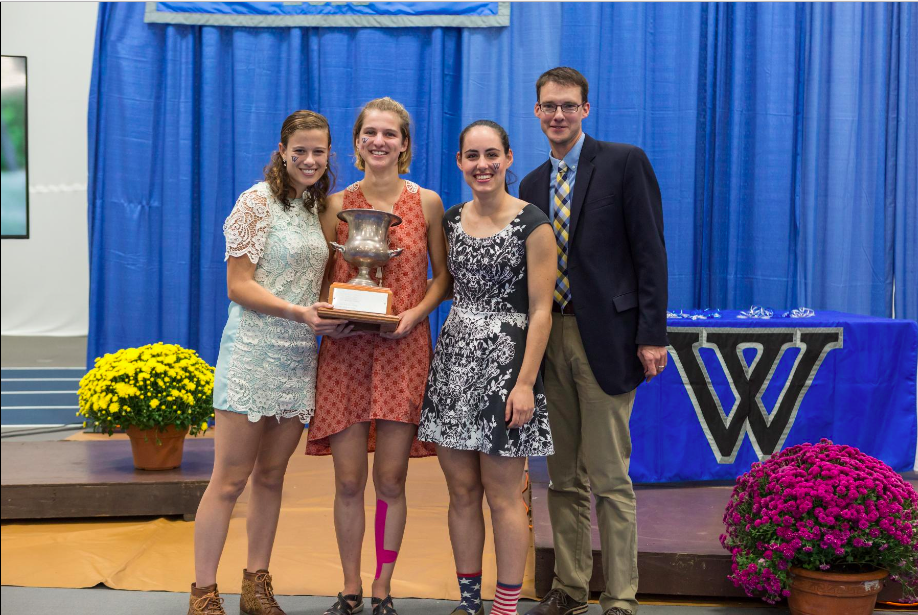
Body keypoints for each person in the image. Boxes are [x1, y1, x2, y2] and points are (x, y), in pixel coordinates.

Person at [519, 67, 669, 615]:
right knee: (561, 476)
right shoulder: (532, 184)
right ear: (536, 112)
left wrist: (652, 333)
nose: (557, 114)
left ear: (586, 109)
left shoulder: (625, 163)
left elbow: (650, 251)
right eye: (548, 106)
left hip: (606, 337)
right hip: (548, 335)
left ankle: (622, 597)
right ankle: (570, 586)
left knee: (609, 476)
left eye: (568, 105)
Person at [188, 110, 347, 615]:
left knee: (272, 477)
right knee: (229, 480)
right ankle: (203, 593)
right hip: (253, 354)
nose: (308, 159)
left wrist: (331, 310)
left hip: (299, 358)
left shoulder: (315, 207)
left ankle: (256, 588)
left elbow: (316, 284)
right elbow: (238, 285)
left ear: (328, 156)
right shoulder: (255, 203)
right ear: (282, 150)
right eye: (299, 149)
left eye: (318, 151)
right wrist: (297, 312)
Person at [307, 97, 451, 615]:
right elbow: (322, 277)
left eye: (390, 134)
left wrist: (414, 315)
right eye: (370, 133)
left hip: (403, 351)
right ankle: (349, 587)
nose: (379, 142)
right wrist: (329, 316)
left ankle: (383, 586)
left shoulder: (427, 202)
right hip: (345, 352)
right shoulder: (334, 203)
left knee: (391, 479)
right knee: (348, 480)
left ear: (405, 144)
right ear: (357, 141)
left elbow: (442, 278)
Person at [418, 119, 556, 615]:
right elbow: (442, 287)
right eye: (472, 156)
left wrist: (524, 383)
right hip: (455, 366)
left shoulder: (534, 223)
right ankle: (469, 602)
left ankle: (505, 605)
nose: (483, 165)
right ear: (460, 162)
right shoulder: (450, 221)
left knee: (503, 496)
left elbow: (542, 309)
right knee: (460, 493)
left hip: (507, 370)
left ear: (509, 157)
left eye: (492, 154)